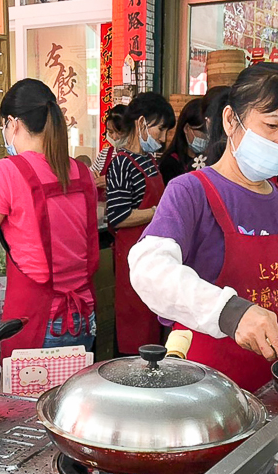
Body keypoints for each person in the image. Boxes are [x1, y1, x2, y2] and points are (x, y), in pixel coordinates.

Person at [129, 63, 278, 391]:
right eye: (272, 125)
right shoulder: (191, 191)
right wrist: (230, 312)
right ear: (230, 121)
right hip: (207, 389)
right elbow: (149, 269)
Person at [0, 79, 98, 355]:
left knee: (29, 400)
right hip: (84, 318)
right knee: (69, 399)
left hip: (36, 323)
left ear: (14, 123)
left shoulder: (7, 171)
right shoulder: (82, 173)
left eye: (3, 126)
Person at [105, 92, 175, 354]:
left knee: (154, 320)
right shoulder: (122, 163)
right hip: (132, 259)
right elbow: (120, 216)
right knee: (134, 324)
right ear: (142, 123)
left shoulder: (148, 161)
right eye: (160, 129)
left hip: (154, 255)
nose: (163, 138)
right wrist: (160, 211)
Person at [159, 98, 209, 184]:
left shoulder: (211, 160)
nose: (206, 137)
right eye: (202, 132)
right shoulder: (169, 164)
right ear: (186, 128)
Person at [92, 104, 126, 199]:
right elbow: (91, 172)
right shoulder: (105, 153)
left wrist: (112, 182)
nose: (114, 137)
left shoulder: (136, 156)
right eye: (110, 132)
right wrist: (92, 176)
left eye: (120, 132)